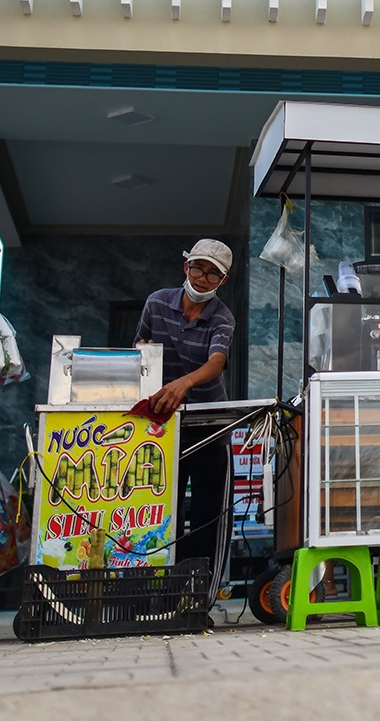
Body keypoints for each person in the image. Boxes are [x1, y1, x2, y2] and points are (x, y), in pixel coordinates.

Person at [135, 239, 237, 567]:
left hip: (209, 425)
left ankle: (201, 586)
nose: (202, 278)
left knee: (209, 514)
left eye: (213, 274)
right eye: (198, 269)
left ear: (223, 280)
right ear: (186, 267)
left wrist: (184, 382)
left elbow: (216, 362)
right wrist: (144, 353)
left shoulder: (222, 317)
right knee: (163, 506)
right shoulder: (157, 302)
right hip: (162, 423)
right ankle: (161, 581)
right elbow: (139, 346)